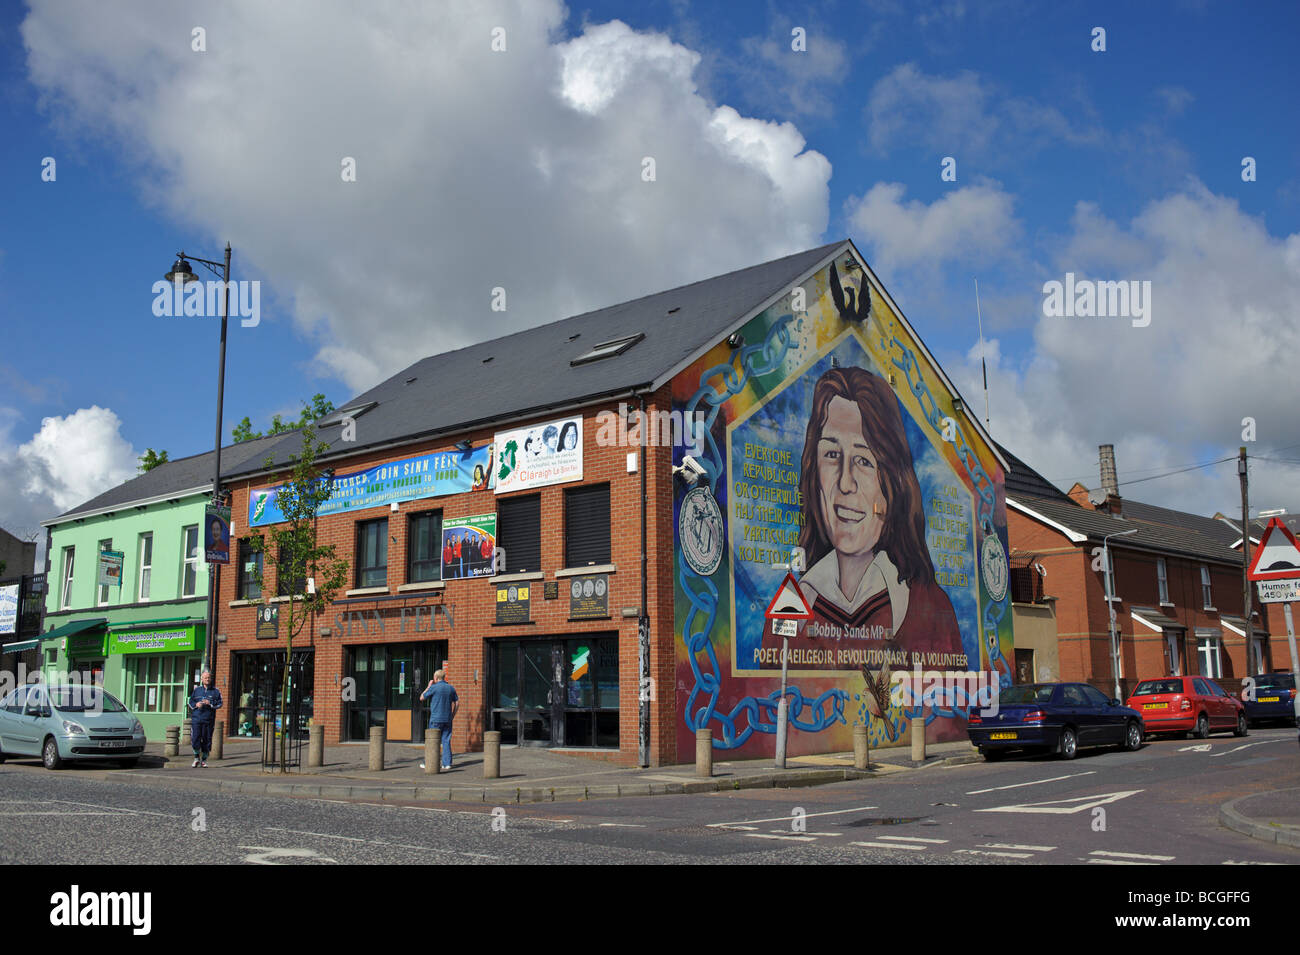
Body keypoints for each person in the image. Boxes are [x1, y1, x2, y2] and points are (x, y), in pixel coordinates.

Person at [787, 366, 963, 663]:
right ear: (813, 472)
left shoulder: (931, 608)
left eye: (864, 461)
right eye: (831, 455)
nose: (845, 482)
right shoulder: (795, 606)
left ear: (893, 483)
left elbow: (950, 706)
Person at [419, 670, 459, 770]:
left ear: (436, 678)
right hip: (447, 719)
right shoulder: (451, 688)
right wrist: (452, 715)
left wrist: (428, 686)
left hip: (435, 719)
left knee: (432, 741)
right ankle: (447, 764)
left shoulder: (434, 687)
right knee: (446, 740)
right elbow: (457, 703)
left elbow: (421, 698)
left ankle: (428, 762)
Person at [188, 668, 223, 767]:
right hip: (196, 719)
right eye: (205, 678)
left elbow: (220, 704)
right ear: (202, 679)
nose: (207, 679)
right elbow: (190, 702)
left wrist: (210, 703)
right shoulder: (197, 690)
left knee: (207, 740)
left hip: (208, 720)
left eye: (209, 677)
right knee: (195, 739)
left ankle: (203, 760)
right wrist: (196, 704)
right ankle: (196, 758)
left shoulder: (216, 691)